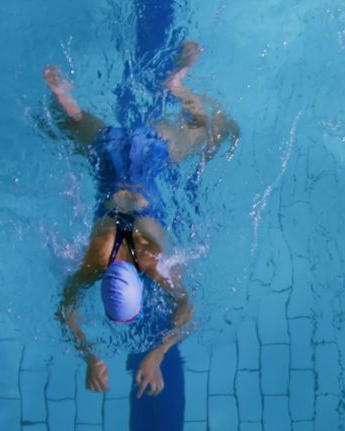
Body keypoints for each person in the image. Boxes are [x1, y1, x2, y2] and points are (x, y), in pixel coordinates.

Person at [47, 41, 238, 398]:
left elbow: (188, 309)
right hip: (110, 155)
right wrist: (90, 356)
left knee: (214, 128)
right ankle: (65, 99)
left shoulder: (150, 261)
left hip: (153, 154)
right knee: (65, 124)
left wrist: (157, 353)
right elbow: (65, 308)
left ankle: (176, 83)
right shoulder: (97, 258)